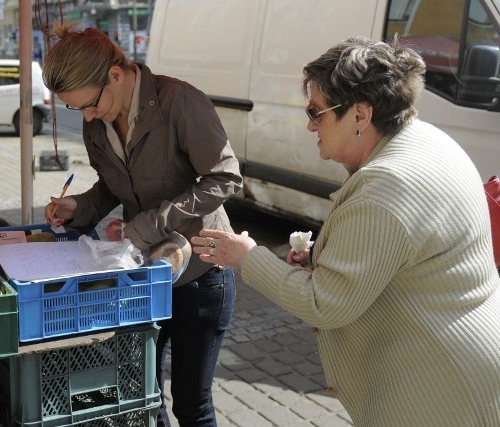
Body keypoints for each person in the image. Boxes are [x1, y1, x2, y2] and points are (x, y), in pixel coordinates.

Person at [192, 36, 500, 427]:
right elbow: (401, 246)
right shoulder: (424, 138)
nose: (309, 124)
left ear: (360, 115)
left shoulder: (386, 184)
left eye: (317, 112)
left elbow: (325, 305)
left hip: (440, 389)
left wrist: (247, 256)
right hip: (462, 365)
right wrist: (324, 255)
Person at [42, 25, 243, 426]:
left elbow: (225, 179)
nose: (86, 117)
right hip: (143, 274)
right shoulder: (96, 120)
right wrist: (77, 206)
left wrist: (149, 224)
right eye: (75, 109)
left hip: (201, 272)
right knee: (140, 393)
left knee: (191, 402)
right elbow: (112, 186)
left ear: (115, 74)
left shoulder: (179, 101)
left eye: (89, 104)